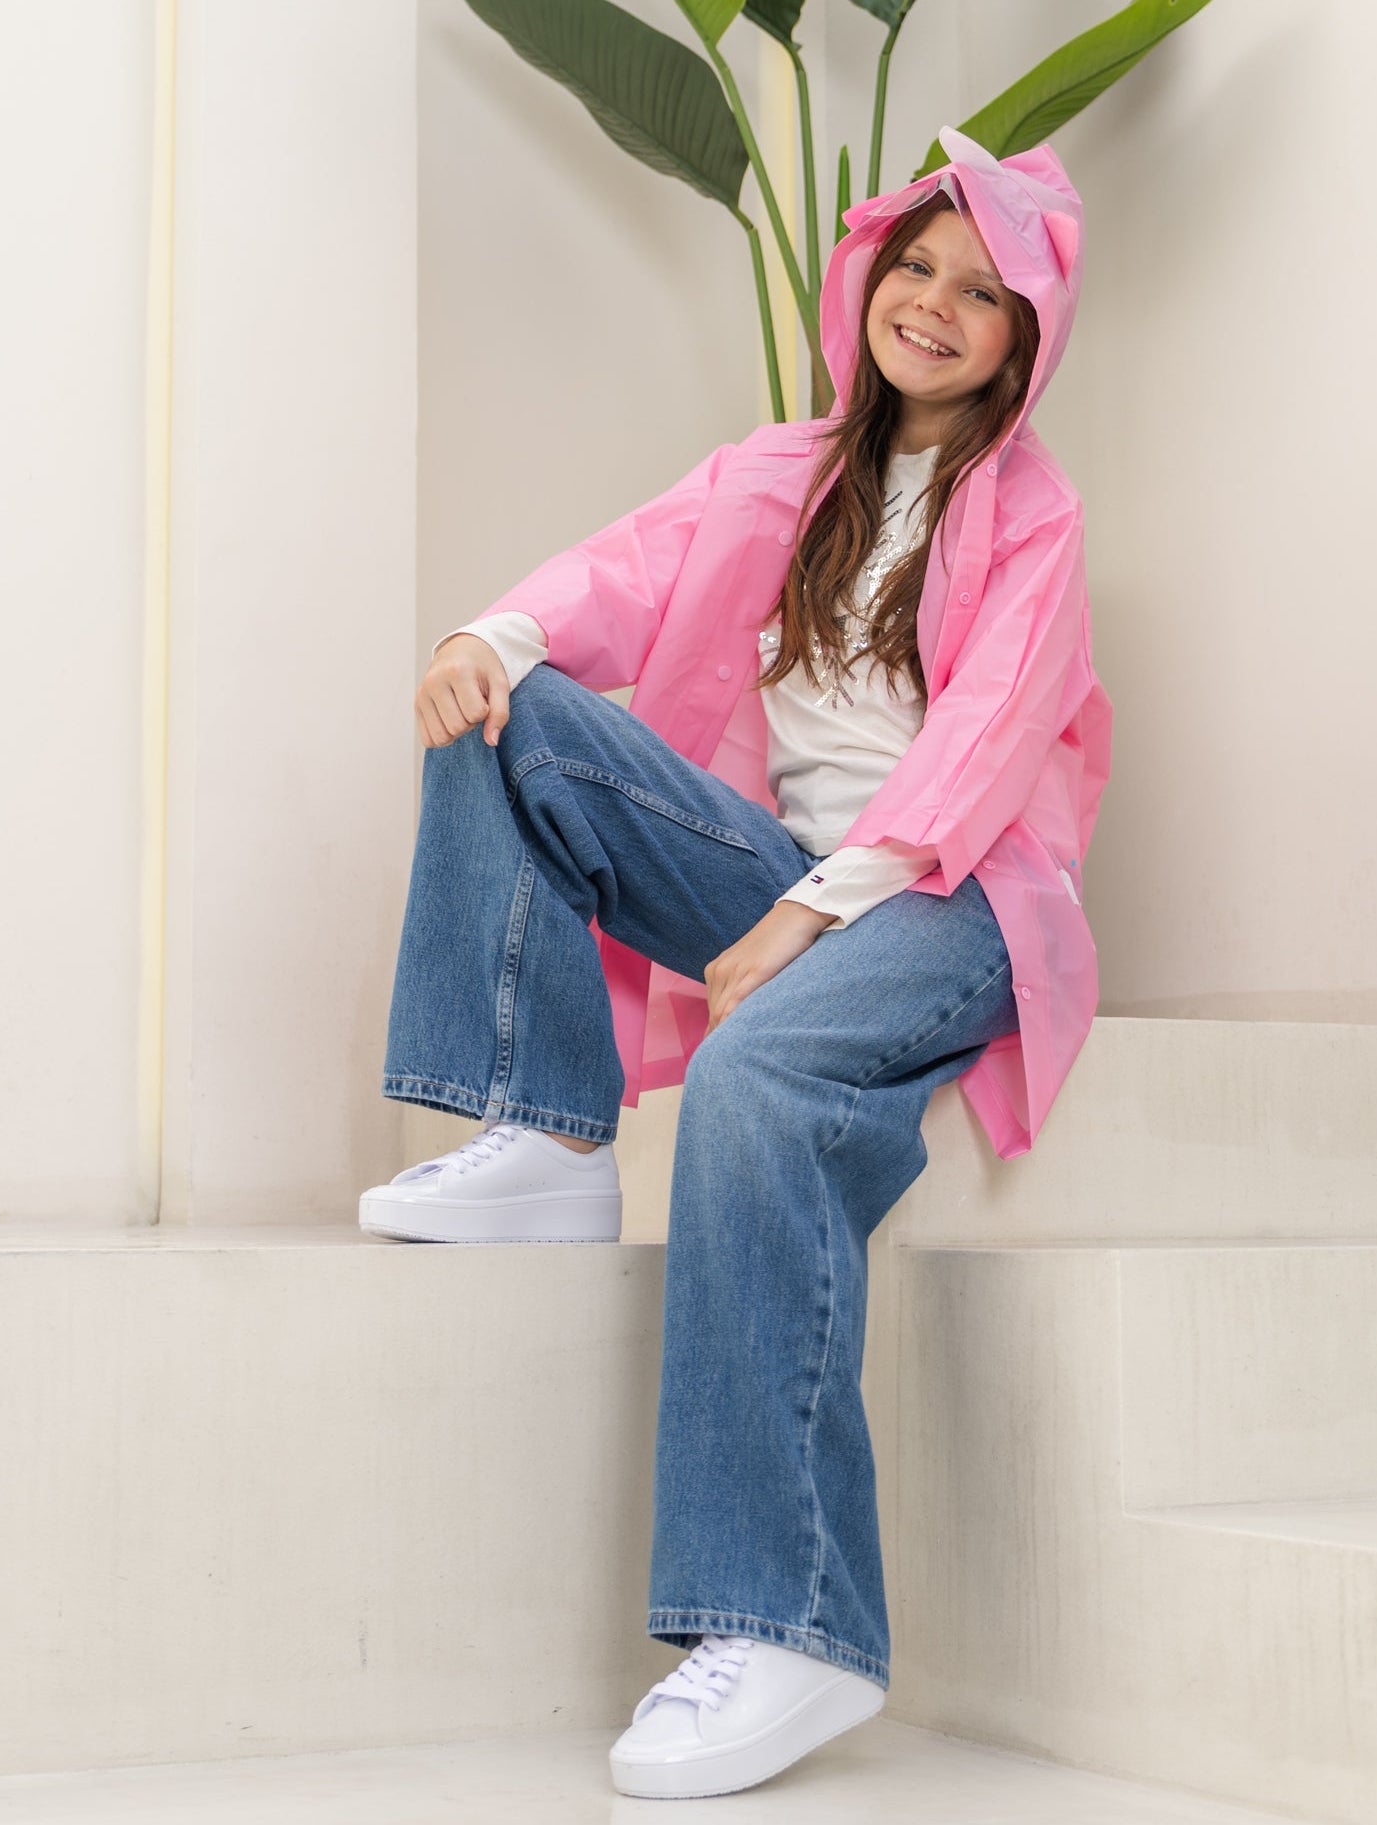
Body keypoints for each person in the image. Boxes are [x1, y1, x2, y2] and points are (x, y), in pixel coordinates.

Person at [360, 125, 1112, 1801]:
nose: (933, 305)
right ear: (869, 280)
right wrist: (488, 633)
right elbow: (618, 575)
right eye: (915, 268)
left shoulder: (1034, 519)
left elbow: (979, 755)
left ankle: (792, 1621)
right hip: (788, 876)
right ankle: (546, 1131)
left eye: (979, 293)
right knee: (507, 708)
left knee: (755, 1075)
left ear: (1020, 338)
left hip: (951, 899)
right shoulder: (781, 471)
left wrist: (804, 920)